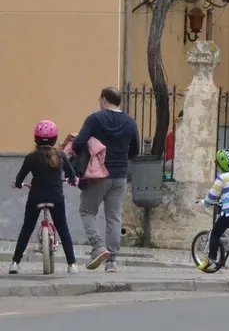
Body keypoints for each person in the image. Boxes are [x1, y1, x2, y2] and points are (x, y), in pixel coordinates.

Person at [72, 87, 140, 272]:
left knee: (87, 210)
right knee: (114, 216)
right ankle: (112, 261)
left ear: (103, 100)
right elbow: (135, 151)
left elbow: (78, 143)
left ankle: (98, 247)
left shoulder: (95, 119)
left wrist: (79, 156)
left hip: (98, 174)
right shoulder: (130, 122)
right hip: (120, 175)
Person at [10, 121, 79, 274]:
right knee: (63, 228)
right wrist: (73, 181)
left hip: (36, 197)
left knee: (27, 228)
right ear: (55, 139)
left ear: (36, 138)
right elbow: (71, 175)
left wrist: (19, 184)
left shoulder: (31, 158)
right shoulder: (60, 156)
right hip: (56, 198)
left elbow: (20, 178)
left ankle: (15, 263)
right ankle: (72, 264)